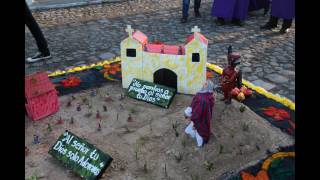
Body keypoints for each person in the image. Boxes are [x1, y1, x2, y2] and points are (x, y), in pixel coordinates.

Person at [184, 80, 215, 147]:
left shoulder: (201, 98)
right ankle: (192, 134)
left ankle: (200, 144)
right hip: (205, 117)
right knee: (194, 128)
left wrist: (192, 117)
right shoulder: (210, 96)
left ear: (208, 86)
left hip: (199, 119)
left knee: (200, 131)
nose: (203, 84)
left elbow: (197, 111)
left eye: (206, 84)